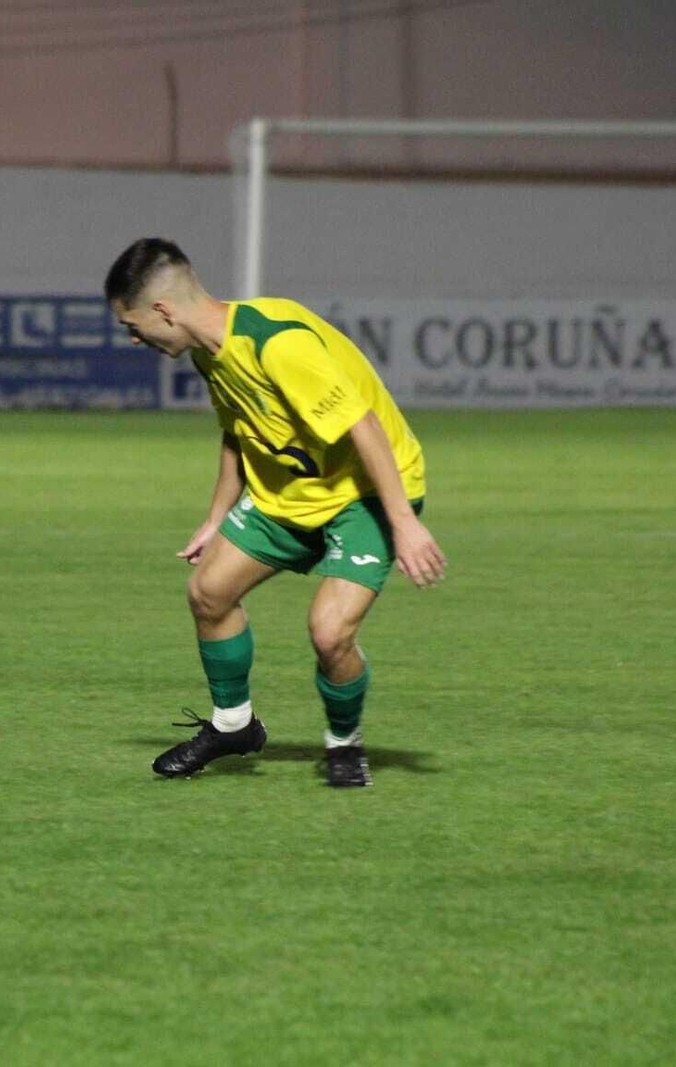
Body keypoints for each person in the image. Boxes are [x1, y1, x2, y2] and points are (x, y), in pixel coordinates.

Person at [103, 238, 446, 788]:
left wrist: (403, 522)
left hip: (366, 495)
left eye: (132, 324)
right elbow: (237, 431)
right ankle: (233, 726)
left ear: (162, 309)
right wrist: (217, 516)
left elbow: (365, 427)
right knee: (209, 593)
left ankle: (343, 743)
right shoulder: (207, 352)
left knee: (330, 632)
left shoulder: (277, 343)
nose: (133, 337)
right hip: (286, 495)